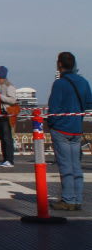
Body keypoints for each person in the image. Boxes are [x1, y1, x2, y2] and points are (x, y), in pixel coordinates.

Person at [45, 51, 91, 211]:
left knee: (65, 166)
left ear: (59, 64)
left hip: (61, 129)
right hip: (76, 129)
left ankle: (68, 200)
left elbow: (53, 108)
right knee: (76, 166)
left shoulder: (60, 84)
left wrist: (52, 124)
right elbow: (89, 104)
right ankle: (77, 199)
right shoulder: (83, 82)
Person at [0, 66, 17, 167]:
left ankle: (9, 160)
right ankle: (5, 159)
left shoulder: (9, 86)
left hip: (7, 114)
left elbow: (13, 100)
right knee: (3, 137)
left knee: (7, 137)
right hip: (1, 113)